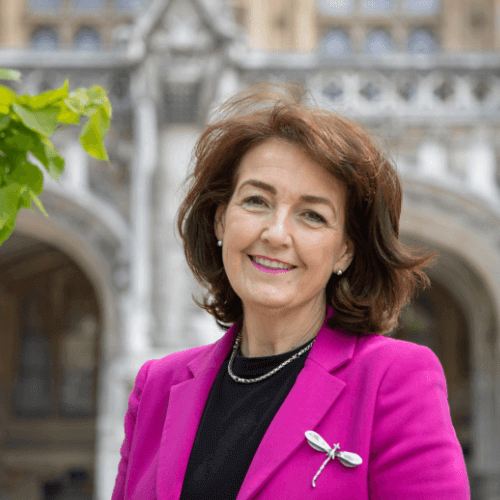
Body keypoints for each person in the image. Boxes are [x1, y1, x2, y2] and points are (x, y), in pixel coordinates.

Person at [111, 85, 470, 499]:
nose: (276, 233)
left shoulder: (394, 379)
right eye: (257, 201)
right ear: (220, 221)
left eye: (312, 215)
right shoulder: (157, 386)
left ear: (345, 251)